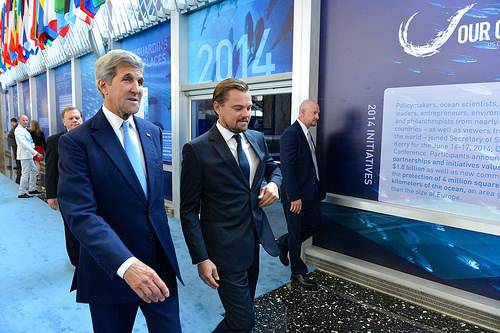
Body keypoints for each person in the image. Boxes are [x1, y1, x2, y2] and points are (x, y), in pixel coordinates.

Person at [57, 50, 182, 332]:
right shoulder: (77, 142)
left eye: (140, 80)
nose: (136, 88)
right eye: (127, 79)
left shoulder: (152, 131)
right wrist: (126, 265)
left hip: (159, 267)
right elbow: (81, 214)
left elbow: (151, 203)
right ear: (103, 85)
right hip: (110, 271)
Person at [180, 78, 282, 333]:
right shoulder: (197, 149)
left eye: (249, 107)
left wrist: (274, 185)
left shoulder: (257, 139)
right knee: (243, 321)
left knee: (243, 312)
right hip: (222, 250)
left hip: (254, 242)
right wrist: (201, 257)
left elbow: (273, 169)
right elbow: (188, 210)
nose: (246, 114)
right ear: (218, 107)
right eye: (238, 108)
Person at [277, 100, 326, 290]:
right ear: (302, 112)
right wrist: (294, 196)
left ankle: (283, 242)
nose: (317, 117)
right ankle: (298, 272)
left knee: (314, 225)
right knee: (296, 233)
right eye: (314, 113)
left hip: (310, 193)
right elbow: (287, 168)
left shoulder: (306, 133)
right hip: (295, 196)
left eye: (318, 113)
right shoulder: (291, 134)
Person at [45, 106, 83, 267]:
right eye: (71, 118)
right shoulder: (55, 141)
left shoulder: (91, 137)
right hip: (67, 193)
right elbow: (51, 169)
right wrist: (51, 195)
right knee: (71, 226)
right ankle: (76, 260)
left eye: (77, 117)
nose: (75, 120)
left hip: (90, 191)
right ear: (63, 121)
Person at [14, 115, 43, 198]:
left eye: (27, 120)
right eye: (23, 120)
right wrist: (36, 153)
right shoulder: (18, 130)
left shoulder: (25, 130)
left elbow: (30, 142)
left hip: (29, 155)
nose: (26, 122)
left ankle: (32, 189)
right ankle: (22, 192)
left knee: (33, 170)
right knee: (25, 173)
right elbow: (24, 144)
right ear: (19, 121)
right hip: (24, 155)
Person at [29, 119, 46, 191]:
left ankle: (36, 175)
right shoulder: (40, 132)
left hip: (33, 148)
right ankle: (37, 175)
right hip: (40, 148)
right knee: (38, 163)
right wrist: (45, 150)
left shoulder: (30, 132)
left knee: (34, 163)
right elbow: (44, 142)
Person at [7, 117, 21, 184]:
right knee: (16, 156)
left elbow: (12, 136)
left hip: (16, 145)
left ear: (13, 122)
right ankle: (18, 166)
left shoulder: (16, 127)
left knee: (17, 157)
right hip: (15, 145)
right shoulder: (15, 127)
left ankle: (19, 167)